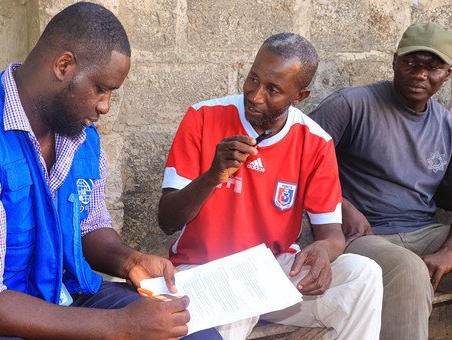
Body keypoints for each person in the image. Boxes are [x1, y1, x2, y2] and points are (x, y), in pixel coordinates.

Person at [0, 3, 221, 339]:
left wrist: (129, 261)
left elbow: (89, 225)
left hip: (53, 297)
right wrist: (120, 327)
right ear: (63, 66)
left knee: (194, 332)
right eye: (101, 89)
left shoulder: (78, 133)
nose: (105, 106)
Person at [158, 33, 383, 339]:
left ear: (299, 96)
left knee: (363, 275)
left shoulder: (315, 142)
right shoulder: (203, 117)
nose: (255, 95)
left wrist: (322, 251)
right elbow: (167, 220)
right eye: (253, 78)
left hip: (275, 273)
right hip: (205, 270)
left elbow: (332, 236)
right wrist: (213, 175)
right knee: (238, 299)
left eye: (273, 89)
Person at [309, 22, 452, 340]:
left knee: (415, 266)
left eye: (432, 67)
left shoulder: (446, 125)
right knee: (409, 270)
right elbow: (294, 161)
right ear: (394, 61)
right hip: (365, 237)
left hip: (426, 232)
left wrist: (449, 251)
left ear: (448, 73)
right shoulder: (351, 105)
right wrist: (340, 204)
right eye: (411, 63)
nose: (419, 74)